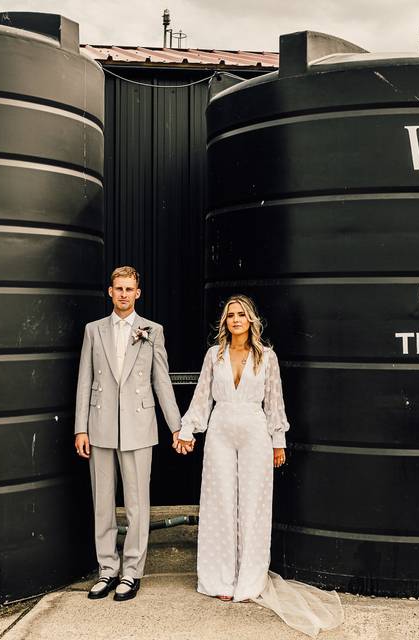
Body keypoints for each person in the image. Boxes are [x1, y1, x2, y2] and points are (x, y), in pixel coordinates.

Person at [176, 295, 343, 636]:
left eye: (241, 315)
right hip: (221, 429)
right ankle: (219, 579)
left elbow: (275, 400)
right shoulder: (214, 355)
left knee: (253, 506)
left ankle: (249, 580)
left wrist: (278, 440)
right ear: (224, 322)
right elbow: (202, 396)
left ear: (251, 321)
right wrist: (187, 429)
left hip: (255, 432)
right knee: (220, 504)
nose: (235, 319)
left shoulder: (266, 357)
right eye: (230, 315)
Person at [74, 266, 183, 601]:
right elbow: (84, 380)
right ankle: (107, 569)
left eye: (129, 289)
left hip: (139, 427)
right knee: (103, 503)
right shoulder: (93, 331)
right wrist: (81, 428)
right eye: (118, 288)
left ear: (138, 293)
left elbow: (161, 382)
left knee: (137, 505)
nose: (123, 294)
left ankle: (132, 572)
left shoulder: (152, 330)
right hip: (101, 425)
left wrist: (177, 426)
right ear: (110, 292)